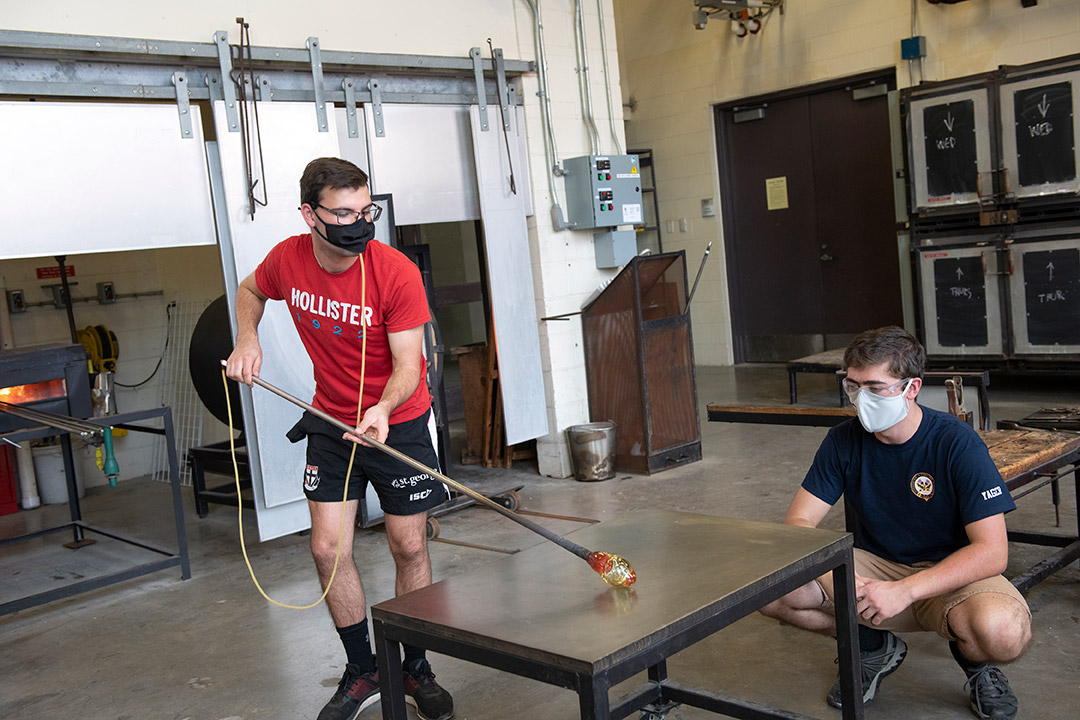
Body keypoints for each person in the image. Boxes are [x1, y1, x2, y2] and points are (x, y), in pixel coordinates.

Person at [226, 157, 454, 720]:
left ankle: (414, 666)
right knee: (327, 548)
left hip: (396, 419)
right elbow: (250, 289)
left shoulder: (394, 272)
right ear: (310, 214)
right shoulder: (288, 258)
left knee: (409, 544)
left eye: (366, 209)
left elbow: (410, 363)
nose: (360, 222)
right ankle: (363, 670)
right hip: (330, 419)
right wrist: (247, 338)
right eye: (345, 212)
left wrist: (381, 408)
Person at [760, 326, 1030, 720]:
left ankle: (976, 665)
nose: (860, 399)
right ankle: (871, 646)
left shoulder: (955, 443)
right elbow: (798, 522)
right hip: (877, 566)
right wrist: (849, 584)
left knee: (1003, 633)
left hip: (952, 571)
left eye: (874, 387)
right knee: (773, 591)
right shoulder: (843, 441)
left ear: (912, 387)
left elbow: (992, 552)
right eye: (852, 386)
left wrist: (905, 591)